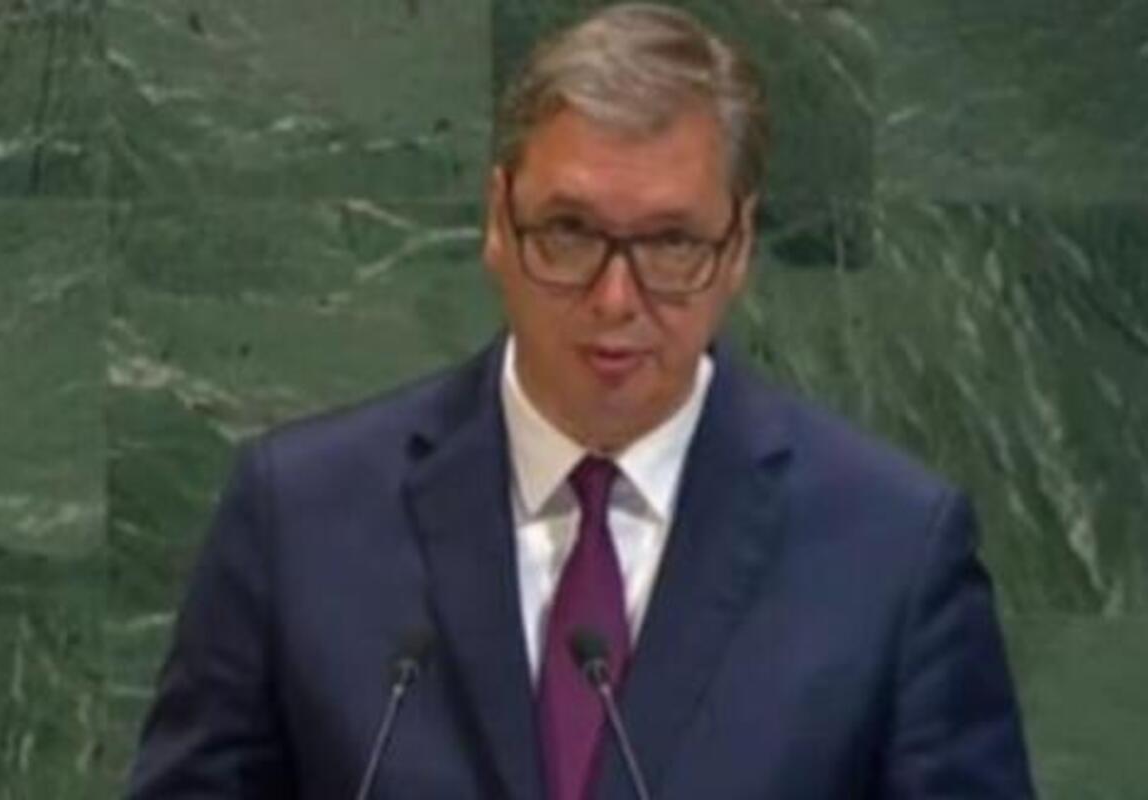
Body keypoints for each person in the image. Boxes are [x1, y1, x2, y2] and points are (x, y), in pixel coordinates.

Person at [128, 4, 1036, 798]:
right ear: (497, 219)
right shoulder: (300, 516)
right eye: (569, 232)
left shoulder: (889, 551)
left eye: (671, 244)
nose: (614, 298)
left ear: (738, 248)